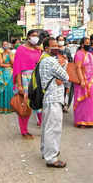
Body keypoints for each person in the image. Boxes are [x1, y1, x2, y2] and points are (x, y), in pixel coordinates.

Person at [38, 37, 69, 168]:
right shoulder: (51, 61)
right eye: (54, 46)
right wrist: (64, 64)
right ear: (46, 48)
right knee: (53, 128)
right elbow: (66, 76)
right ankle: (51, 158)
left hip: (48, 97)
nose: (57, 47)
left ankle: (46, 150)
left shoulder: (43, 59)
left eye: (58, 45)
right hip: (54, 97)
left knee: (46, 126)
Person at [12, 30, 42, 139]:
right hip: (25, 79)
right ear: (28, 37)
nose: (36, 38)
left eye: (37, 36)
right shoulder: (21, 49)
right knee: (25, 105)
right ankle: (24, 131)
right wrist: (19, 85)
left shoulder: (38, 50)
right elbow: (17, 68)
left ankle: (43, 126)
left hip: (36, 79)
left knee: (39, 104)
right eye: (34, 36)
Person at [73, 37, 93, 128]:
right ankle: (81, 121)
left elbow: (92, 68)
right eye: (87, 43)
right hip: (82, 81)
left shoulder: (90, 54)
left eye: (89, 42)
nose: (89, 44)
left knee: (91, 101)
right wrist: (81, 80)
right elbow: (78, 68)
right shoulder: (79, 54)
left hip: (91, 82)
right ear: (82, 45)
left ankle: (90, 120)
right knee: (82, 102)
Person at [0, 41, 14, 114]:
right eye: (4, 44)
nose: (5, 46)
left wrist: (10, 54)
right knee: (3, 90)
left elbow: (13, 64)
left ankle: (11, 107)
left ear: (9, 45)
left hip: (10, 74)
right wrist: (9, 65)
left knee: (10, 89)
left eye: (6, 44)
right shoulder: (1, 54)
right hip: (3, 74)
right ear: (2, 46)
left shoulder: (12, 53)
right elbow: (1, 64)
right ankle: (4, 108)